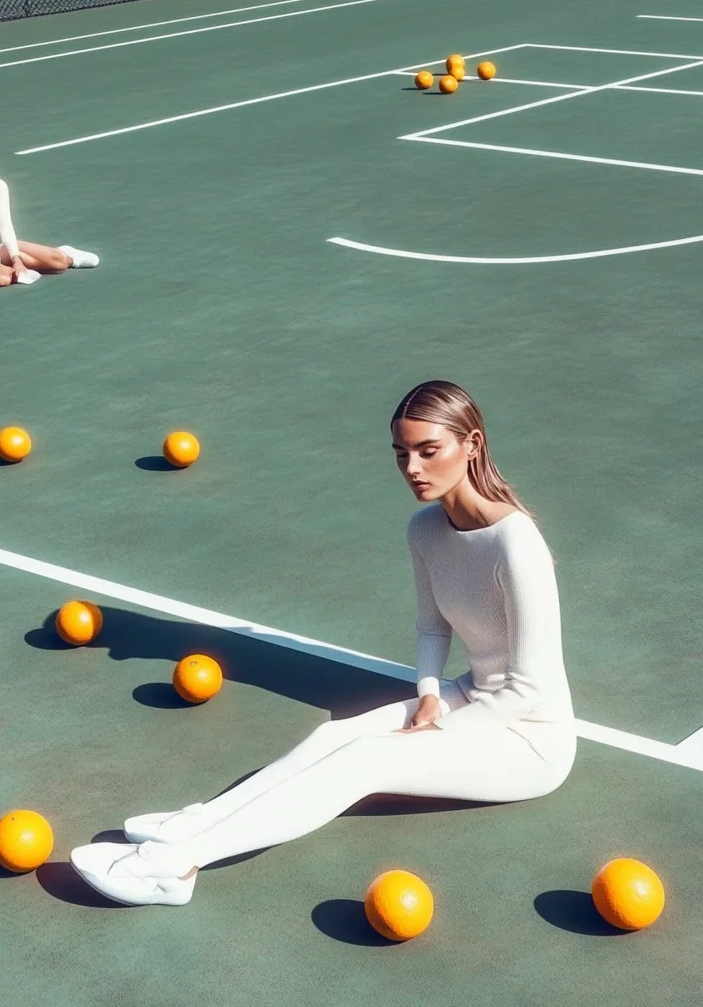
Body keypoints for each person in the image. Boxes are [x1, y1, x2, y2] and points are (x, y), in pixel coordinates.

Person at [71, 380, 577, 906]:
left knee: (367, 759)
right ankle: (196, 823)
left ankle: (174, 868)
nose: (413, 470)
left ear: (471, 445)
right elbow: (433, 628)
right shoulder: (425, 528)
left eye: (429, 451)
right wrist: (429, 691)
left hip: (532, 741)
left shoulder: (517, 545)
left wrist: (436, 728)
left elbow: (527, 691)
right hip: (470, 695)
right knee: (332, 738)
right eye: (402, 454)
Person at [0, 137, 99, 294]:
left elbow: (6, 226)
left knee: (60, 263)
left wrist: (16, 258)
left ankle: (65, 255)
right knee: (3, 278)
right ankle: (29, 262)